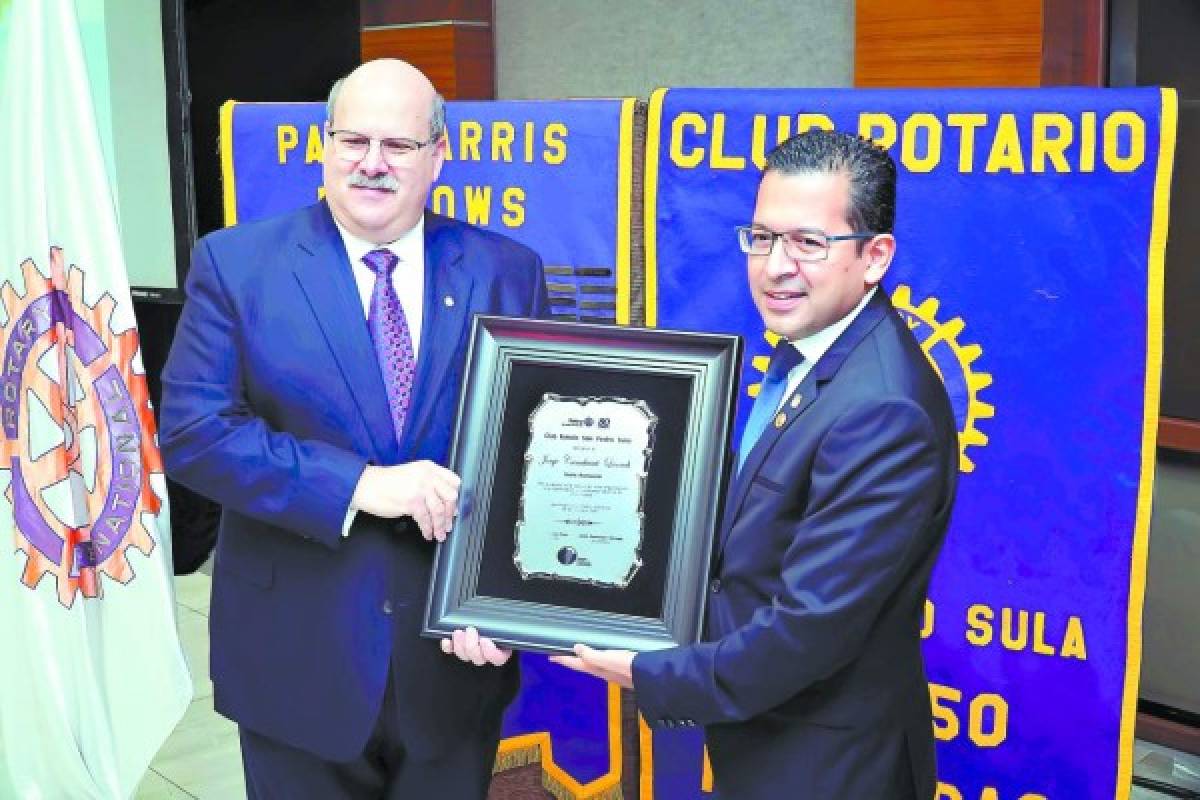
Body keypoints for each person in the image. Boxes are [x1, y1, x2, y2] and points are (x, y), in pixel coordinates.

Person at [160, 59, 549, 798]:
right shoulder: (237, 265)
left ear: (439, 154)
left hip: (453, 660)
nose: (372, 164)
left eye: (398, 146)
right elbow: (193, 433)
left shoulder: (506, 272)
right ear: (325, 145)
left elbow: (531, 455)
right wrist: (362, 486)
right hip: (292, 659)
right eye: (353, 141)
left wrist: (510, 606)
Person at [550, 130, 959, 799]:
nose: (774, 266)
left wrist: (651, 672)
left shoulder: (885, 410)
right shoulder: (812, 352)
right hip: (771, 743)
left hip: (829, 768)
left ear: (875, 256)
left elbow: (807, 629)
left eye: (807, 242)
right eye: (762, 237)